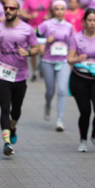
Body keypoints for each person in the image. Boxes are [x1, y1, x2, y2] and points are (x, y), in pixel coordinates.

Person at [0, 0, 39, 156]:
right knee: (4, 108)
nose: (8, 10)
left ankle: (13, 126)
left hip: (20, 76)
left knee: (16, 110)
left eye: (11, 8)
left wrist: (28, 53)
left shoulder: (27, 29)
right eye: (6, 8)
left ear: (18, 11)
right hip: (2, 74)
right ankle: (6, 142)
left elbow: (36, 48)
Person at [37, 0, 73, 132]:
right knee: (50, 91)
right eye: (56, 9)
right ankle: (47, 105)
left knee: (62, 91)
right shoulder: (46, 24)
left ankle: (60, 120)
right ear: (53, 10)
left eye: (62, 9)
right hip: (48, 61)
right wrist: (46, 41)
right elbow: (34, 36)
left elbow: (71, 44)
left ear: (65, 11)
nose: (59, 11)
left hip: (63, 61)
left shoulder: (69, 26)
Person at [67, 8, 95, 152]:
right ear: (84, 22)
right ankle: (83, 140)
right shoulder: (77, 38)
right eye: (90, 20)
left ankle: (94, 135)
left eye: (94, 20)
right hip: (79, 79)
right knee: (85, 112)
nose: (92, 23)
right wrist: (77, 58)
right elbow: (69, 59)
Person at [21, 0, 52, 82]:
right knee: (34, 51)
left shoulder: (48, 1)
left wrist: (49, 16)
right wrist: (31, 16)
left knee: (42, 51)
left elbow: (52, 12)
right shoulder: (29, 1)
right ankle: (34, 72)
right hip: (33, 28)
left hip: (44, 28)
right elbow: (23, 13)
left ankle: (41, 68)